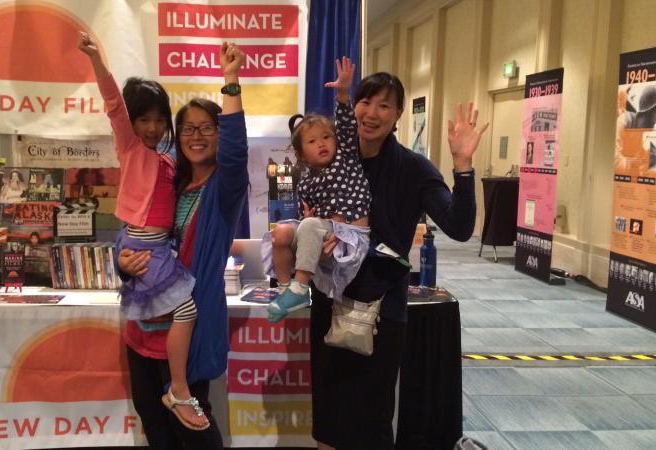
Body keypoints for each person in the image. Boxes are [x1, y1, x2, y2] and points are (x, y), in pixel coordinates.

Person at [308, 71, 487, 450]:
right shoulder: (332, 158)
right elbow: (309, 208)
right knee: (329, 415)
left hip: (381, 309)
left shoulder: (412, 168)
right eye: (366, 101)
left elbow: (459, 226)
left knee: (373, 418)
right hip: (330, 297)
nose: (372, 113)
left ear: (398, 115)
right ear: (354, 106)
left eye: (384, 105)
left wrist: (463, 165)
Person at [115, 46, 248, 448]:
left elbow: (237, 152)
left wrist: (231, 81)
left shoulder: (224, 188)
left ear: (220, 133)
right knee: (154, 424)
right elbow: (136, 229)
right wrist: (124, 262)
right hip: (144, 327)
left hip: (186, 326)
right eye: (188, 128)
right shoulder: (171, 179)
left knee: (192, 430)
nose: (196, 136)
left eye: (208, 127)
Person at [262, 57, 370, 322]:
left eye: (326, 137)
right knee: (283, 232)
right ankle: (288, 291)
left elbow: (345, 126)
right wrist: (308, 216)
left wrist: (343, 93)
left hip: (351, 235)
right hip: (323, 231)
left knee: (309, 226)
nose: (322, 144)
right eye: (312, 141)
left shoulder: (345, 158)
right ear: (301, 153)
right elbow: (308, 212)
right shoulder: (307, 178)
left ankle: (300, 288)